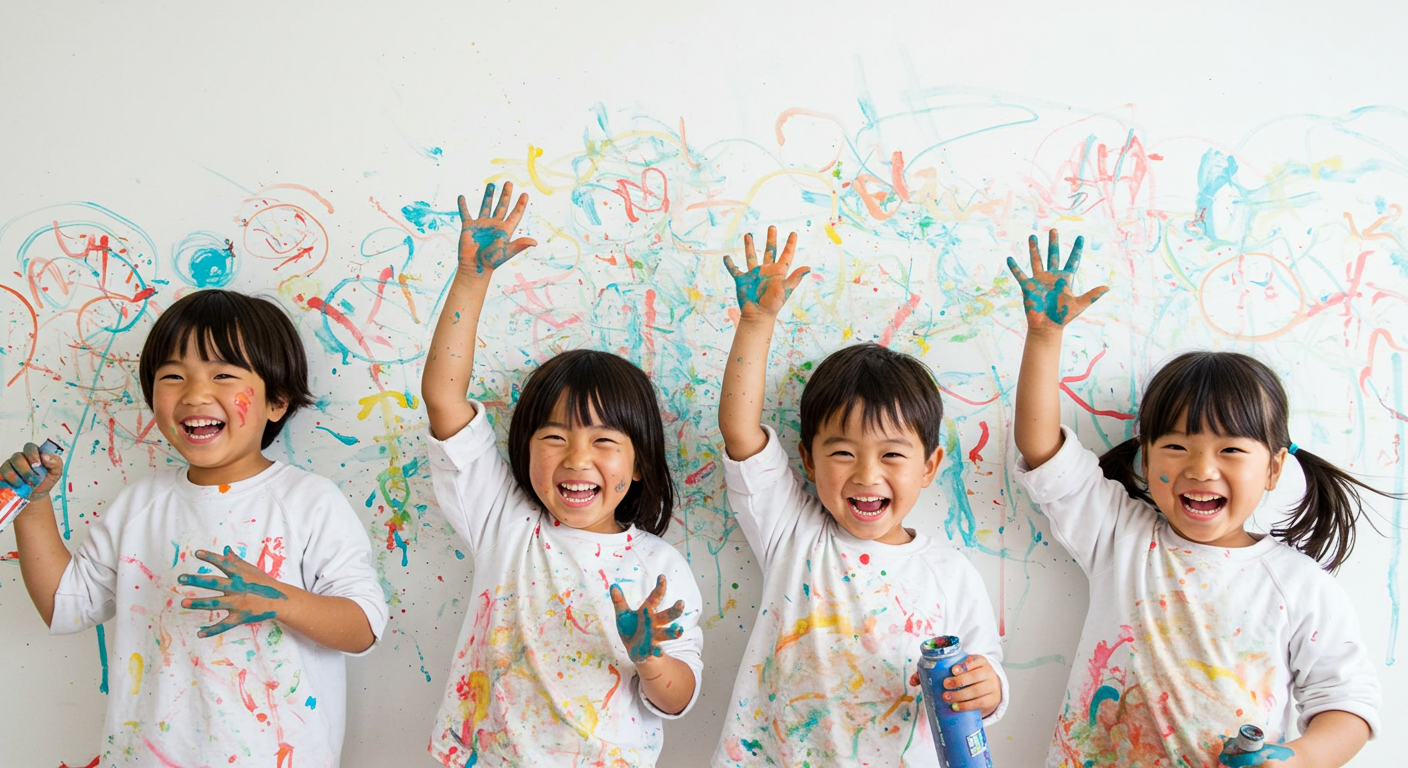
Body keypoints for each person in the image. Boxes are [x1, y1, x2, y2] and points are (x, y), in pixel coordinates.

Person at [1008, 230, 1383, 767]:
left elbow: (1348, 706)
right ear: (1146, 458)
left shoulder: (1298, 586)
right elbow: (1041, 447)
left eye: (1231, 450)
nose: (1201, 469)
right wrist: (1044, 337)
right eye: (1178, 446)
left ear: (1275, 468)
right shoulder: (1120, 535)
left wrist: (1292, 760)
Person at [3, 289, 389, 766]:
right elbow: (66, 607)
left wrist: (278, 599)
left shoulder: (307, 501)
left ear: (277, 401)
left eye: (223, 374)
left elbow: (364, 628)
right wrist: (33, 505)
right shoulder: (140, 504)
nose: (194, 393)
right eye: (173, 376)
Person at [420, 181, 702, 767]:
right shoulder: (506, 523)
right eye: (554, 438)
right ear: (524, 450)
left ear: (641, 461)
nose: (576, 460)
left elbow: (677, 699)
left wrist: (649, 657)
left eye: (604, 441)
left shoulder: (657, 568)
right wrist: (472, 280)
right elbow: (444, 398)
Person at [712, 226, 1007, 767]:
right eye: (843, 453)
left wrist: (987, 690)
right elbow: (739, 429)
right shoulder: (792, 533)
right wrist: (756, 322)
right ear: (807, 459)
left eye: (892, 455)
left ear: (930, 467)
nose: (867, 475)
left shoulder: (949, 572)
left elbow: (983, 679)